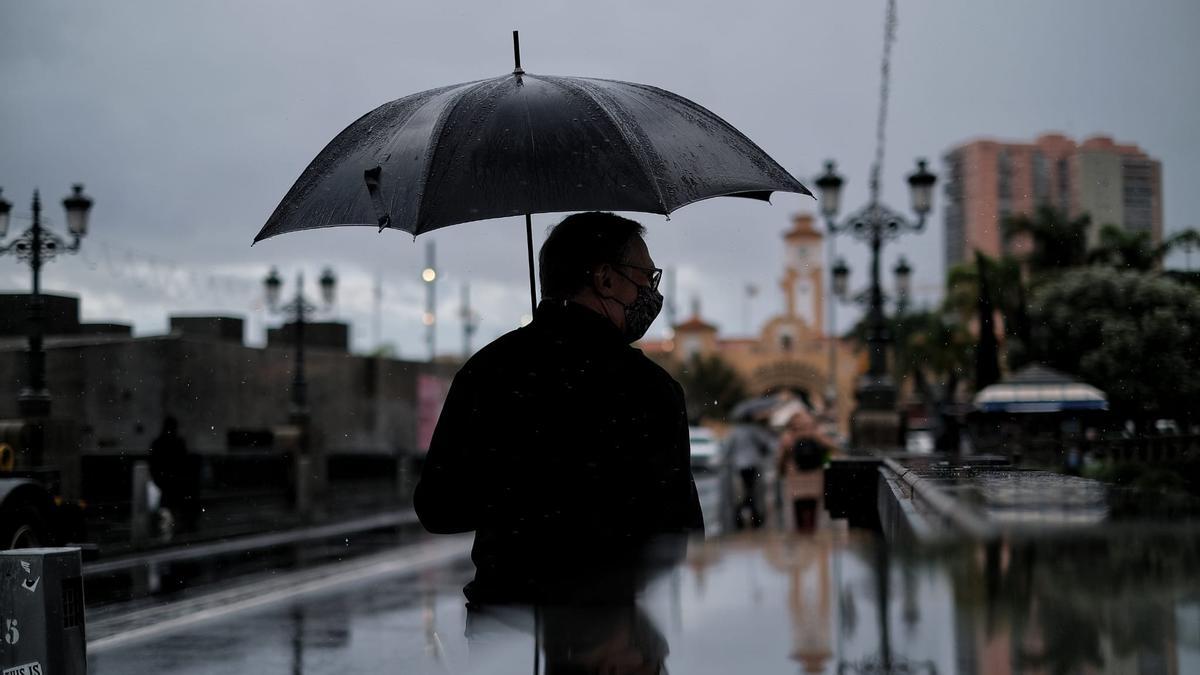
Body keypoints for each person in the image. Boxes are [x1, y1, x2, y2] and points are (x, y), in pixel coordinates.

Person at [414, 212, 704, 606]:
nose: (650, 293)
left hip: (506, 623)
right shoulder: (649, 388)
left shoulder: (487, 372)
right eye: (645, 278)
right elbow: (680, 531)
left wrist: (521, 495)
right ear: (604, 278)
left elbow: (439, 507)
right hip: (615, 633)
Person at [776, 410, 839, 532]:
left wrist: (781, 470)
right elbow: (833, 447)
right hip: (813, 475)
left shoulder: (789, 436)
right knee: (812, 508)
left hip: (796, 476)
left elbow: (781, 458)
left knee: (799, 510)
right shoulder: (816, 434)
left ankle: (803, 534)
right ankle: (810, 533)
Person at [149, 415, 200, 534]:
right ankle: (178, 529)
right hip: (176, 481)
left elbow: (154, 464)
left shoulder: (159, 443)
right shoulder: (177, 442)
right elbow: (184, 463)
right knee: (176, 508)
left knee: (167, 508)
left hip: (167, 481)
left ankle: (167, 530)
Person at [726, 412, 774, 529]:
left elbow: (728, 448)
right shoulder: (754, 430)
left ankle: (740, 518)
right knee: (752, 491)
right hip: (753, 464)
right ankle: (754, 516)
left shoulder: (735, 432)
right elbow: (766, 446)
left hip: (739, 466)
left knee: (741, 492)